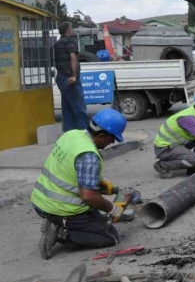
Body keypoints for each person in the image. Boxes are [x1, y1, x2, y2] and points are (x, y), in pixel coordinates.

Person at [31, 109, 132, 259]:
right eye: (112, 138)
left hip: (40, 200)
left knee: (98, 219)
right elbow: (89, 197)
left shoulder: (72, 135)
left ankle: (57, 222)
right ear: (101, 135)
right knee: (110, 237)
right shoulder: (88, 156)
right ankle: (60, 232)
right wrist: (112, 209)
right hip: (60, 207)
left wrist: (98, 183)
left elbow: (68, 170)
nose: (112, 142)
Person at [54, 21, 88, 131]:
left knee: (67, 107)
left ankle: (69, 133)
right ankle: (83, 133)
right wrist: (74, 75)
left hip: (61, 77)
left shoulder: (57, 43)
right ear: (68, 30)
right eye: (71, 28)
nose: (72, 30)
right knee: (79, 107)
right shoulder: (70, 41)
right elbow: (73, 58)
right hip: (70, 78)